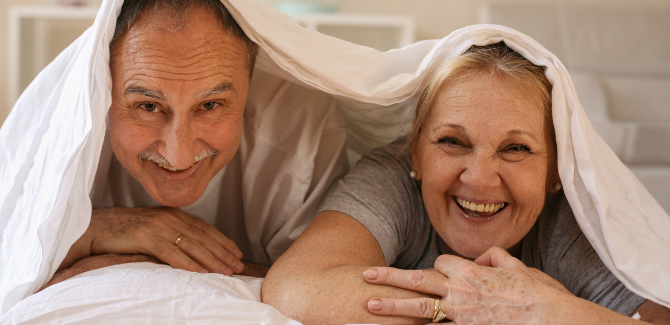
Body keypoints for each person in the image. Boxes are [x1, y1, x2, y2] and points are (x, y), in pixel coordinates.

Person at [262, 42, 670, 324]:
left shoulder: (575, 221)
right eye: (452, 142)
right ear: (416, 155)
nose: (478, 178)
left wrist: (552, 312)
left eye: (516, 149)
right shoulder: (392, 177)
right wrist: (477, 305)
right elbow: (296, 289)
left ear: (555, 173)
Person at [45, 0, 348, 285]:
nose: (179, 157)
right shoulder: (62, 131)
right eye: (148, 107)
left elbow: (319, 283)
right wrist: (100, 229)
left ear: (251, 79)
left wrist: (153, 260)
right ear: (104, 84)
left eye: (210, 105)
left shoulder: (303, 128)